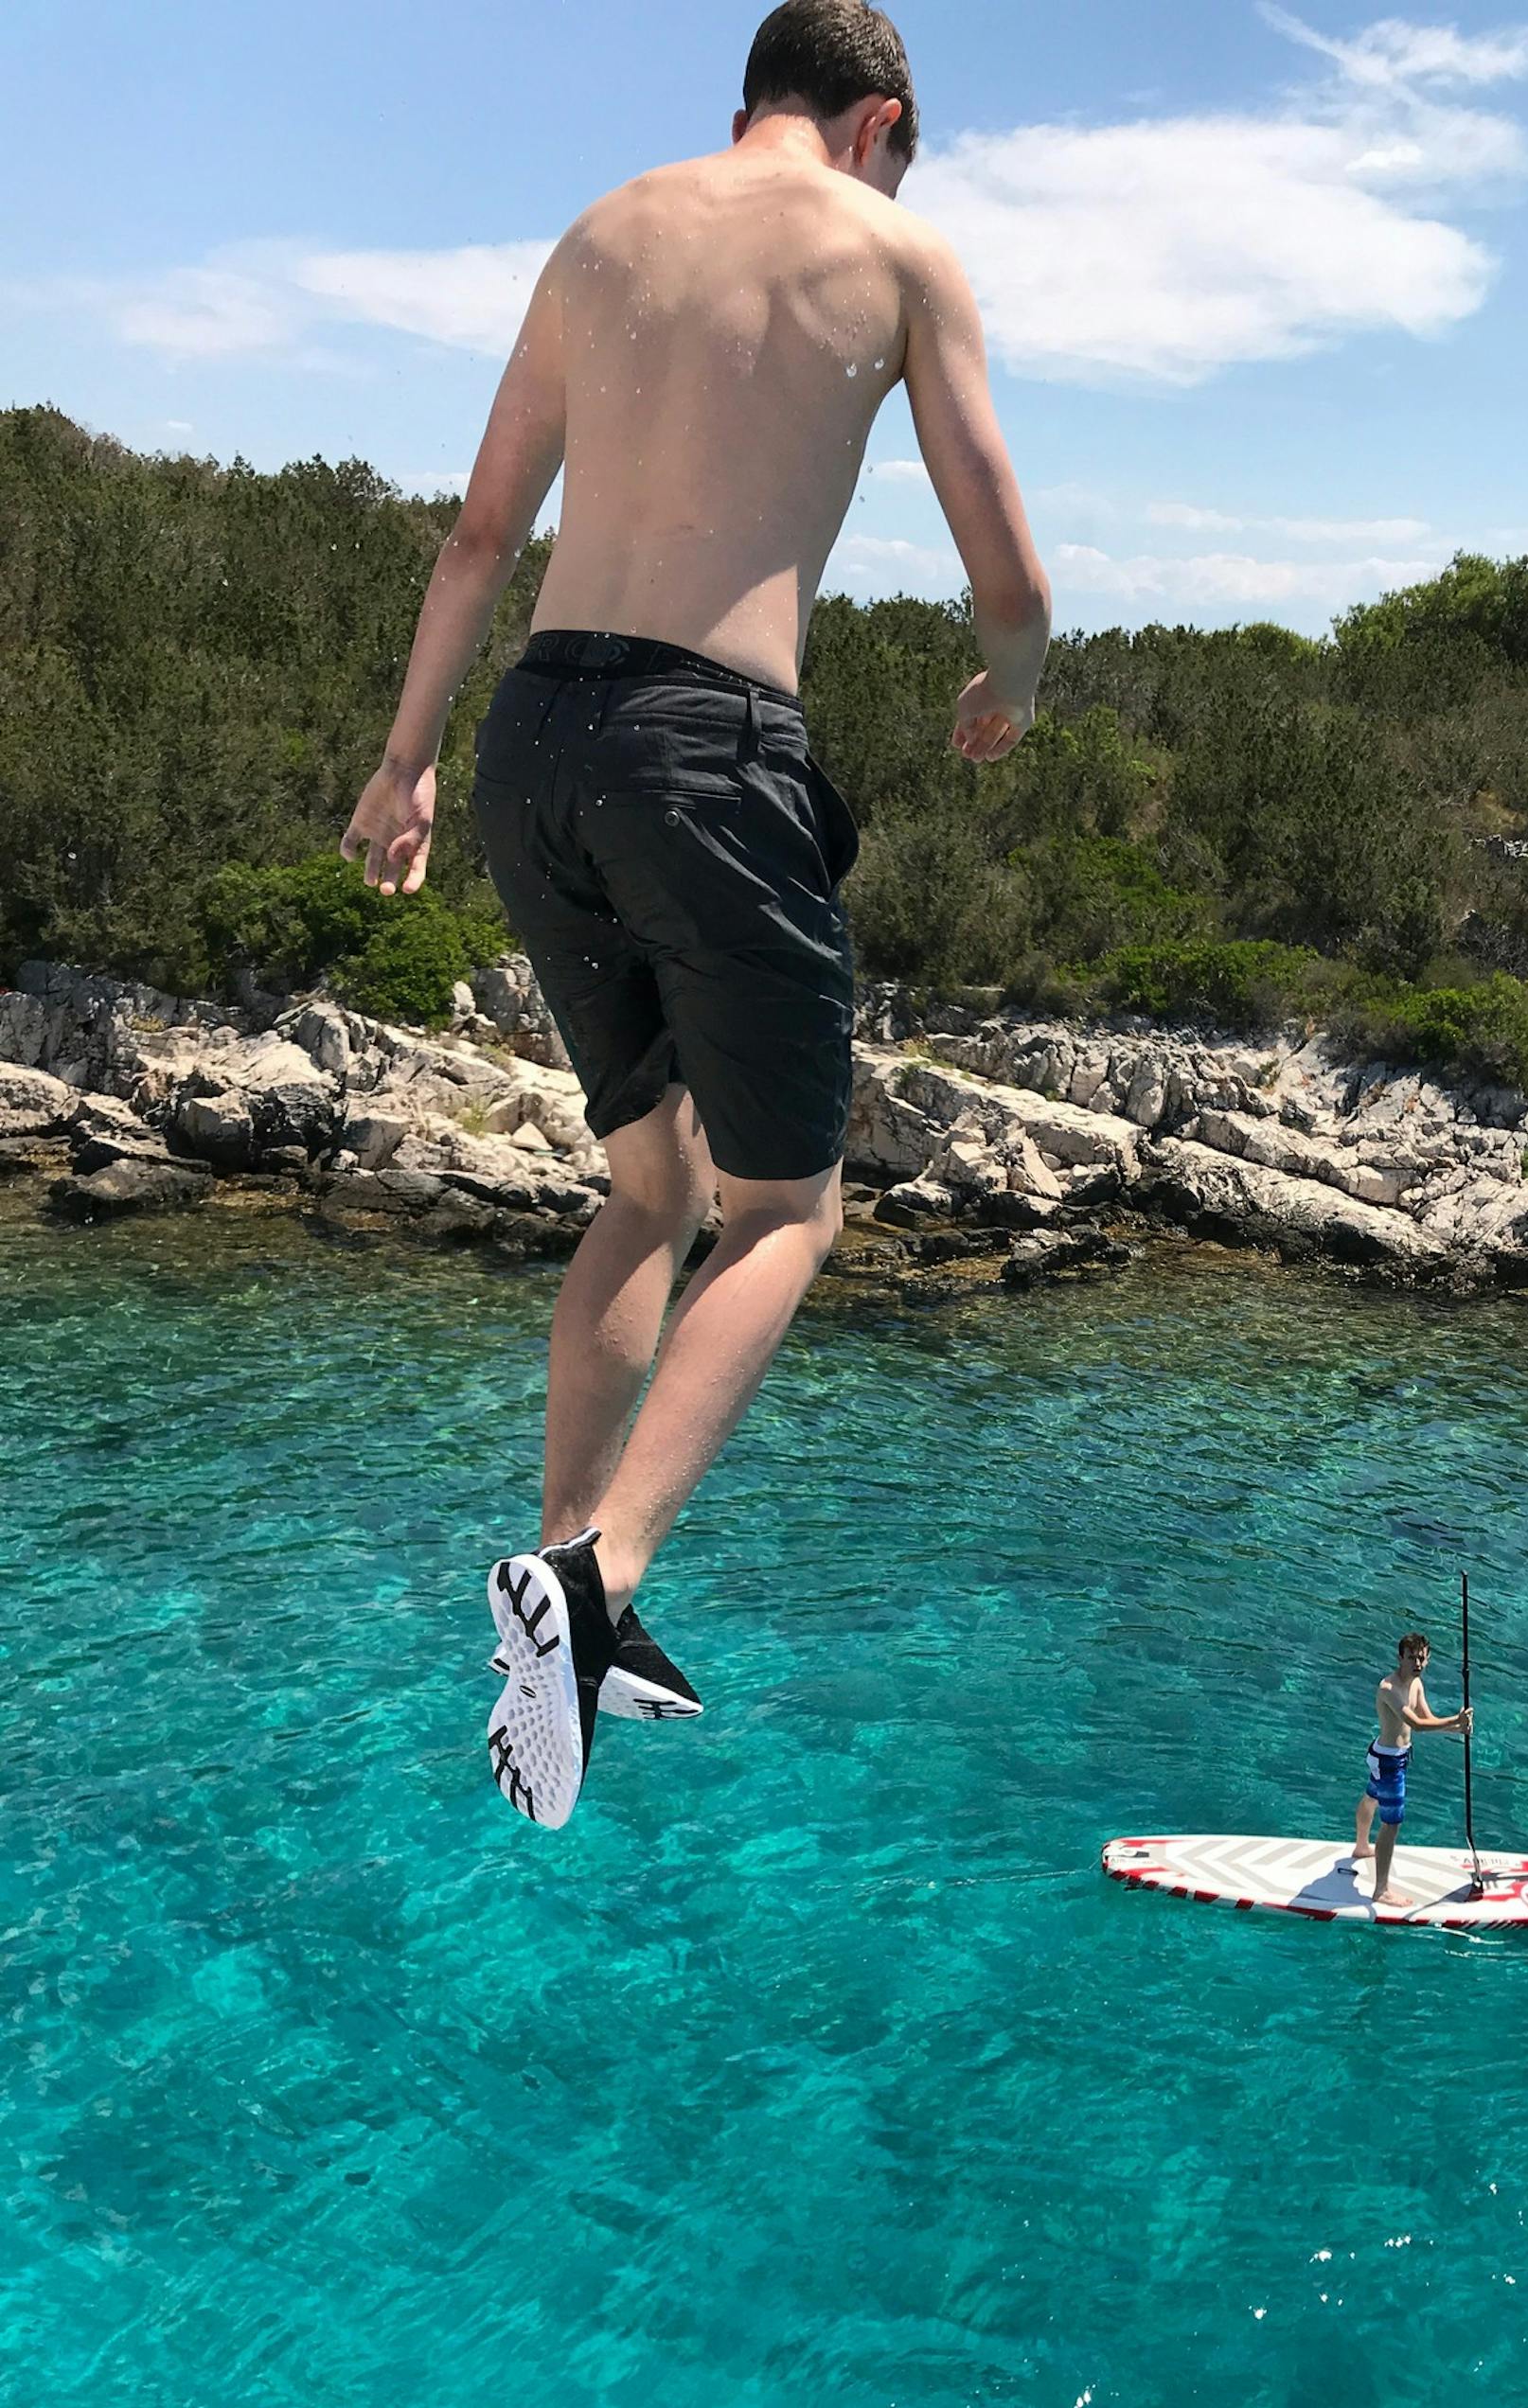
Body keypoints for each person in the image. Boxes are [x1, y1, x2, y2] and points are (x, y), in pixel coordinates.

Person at [338, 1, 1052, 1829]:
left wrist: (404, 761)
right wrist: (1013, 685)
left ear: (751, 98)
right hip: (706, 748)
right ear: (880, 120)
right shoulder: (894, 248)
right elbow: (1009, 569)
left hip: (532, 744)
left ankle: (557, 1586)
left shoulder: (602, 229)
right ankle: (596, 1586)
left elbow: (480, 531)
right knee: (789, 1209)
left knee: (645, 1185)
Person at [1350, 1632, 1469, 1904]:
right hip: (1388, 1761)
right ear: (1400, 1658)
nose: (1417, 1663)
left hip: (1394, 1757)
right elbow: (1415, 1723)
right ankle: (1381, 1890)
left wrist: (1457, 1728)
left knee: (1371, 1798)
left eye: (1422, 1658)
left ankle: (1360, 1847)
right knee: (1391, 1824)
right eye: (1412, 1657)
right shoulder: (1388, 1688)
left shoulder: (1416, 1684)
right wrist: (1455, 1719)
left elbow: (1429, 1720)